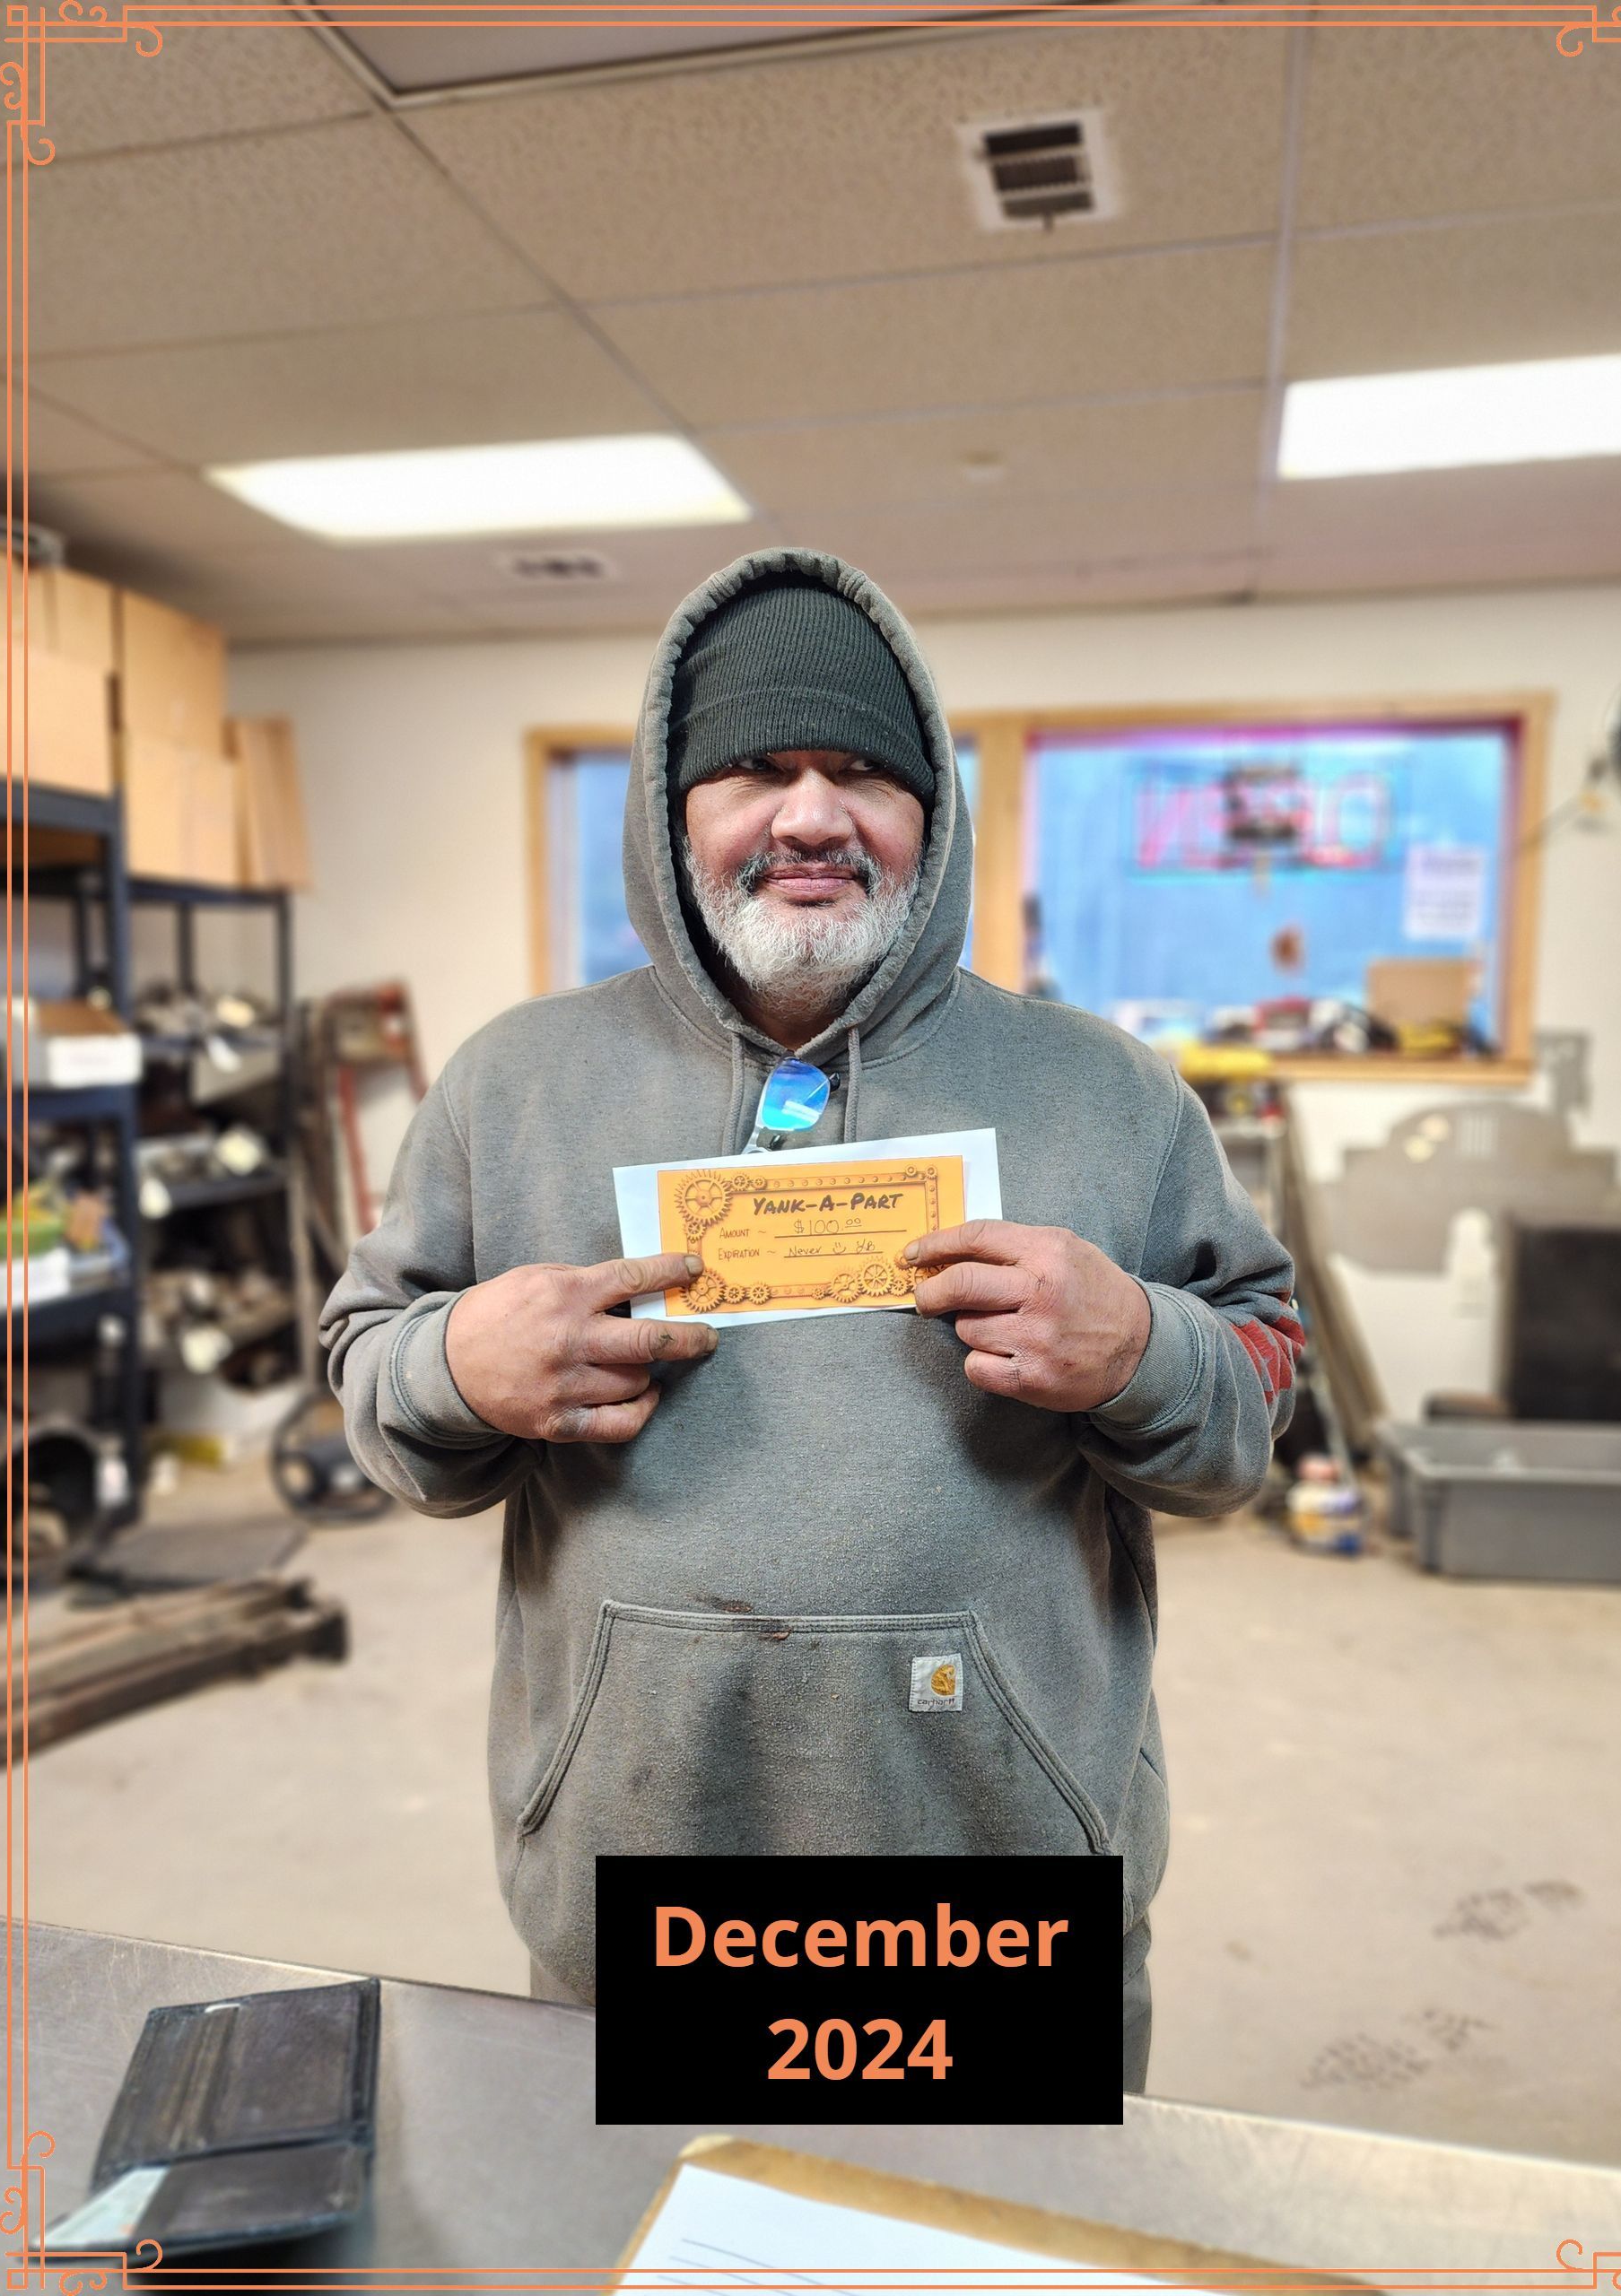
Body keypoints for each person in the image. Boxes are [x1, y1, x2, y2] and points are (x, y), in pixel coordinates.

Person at [320, 548, 1303, 2092]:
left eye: (862, 774)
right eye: (756, 772)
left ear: (933, 815)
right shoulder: (514, 1087)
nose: (811, 816)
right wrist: (453, 1365)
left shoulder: (1110, 1092)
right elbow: (366, 1369)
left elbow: (1260, 1379)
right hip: (642, 1874)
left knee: (999, 2248)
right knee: (653, 2235)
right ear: (672, 811)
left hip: (1002, 1882)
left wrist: (1144, 1350)